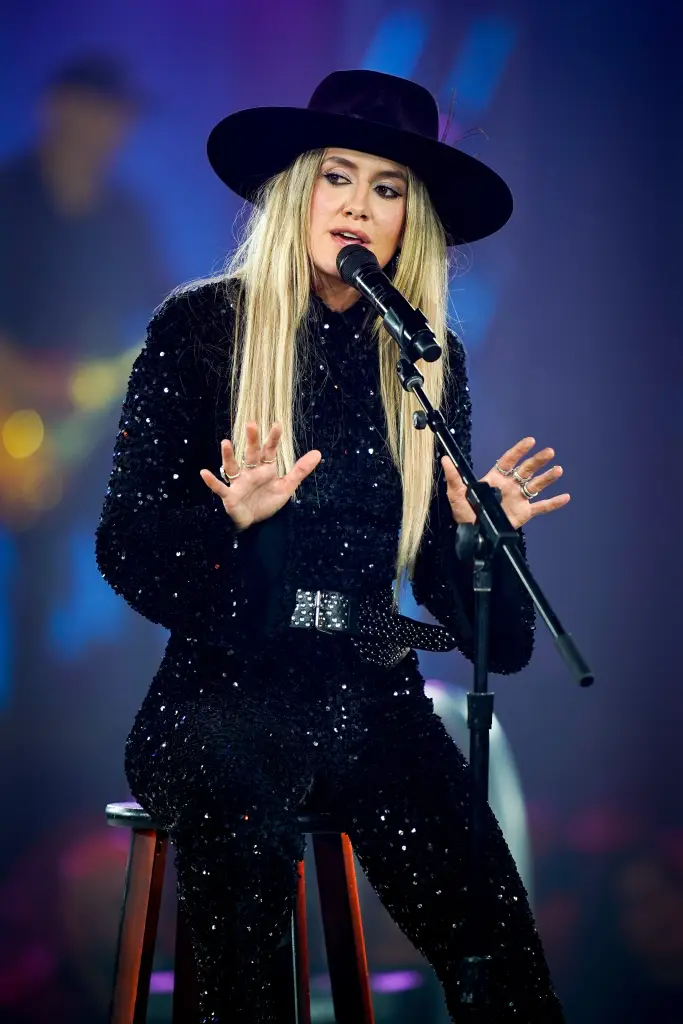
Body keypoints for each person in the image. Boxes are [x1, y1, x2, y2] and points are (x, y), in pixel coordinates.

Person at [96, 70, 570, 1023]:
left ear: (410, 221)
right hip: (221, 694)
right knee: (245, 909)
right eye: (337, 177)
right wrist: (234, 523)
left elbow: (487, 633)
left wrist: (485, 541)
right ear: (295, 189)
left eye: (386, 188)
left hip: (372, 692)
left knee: (497, 942)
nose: (358, 207)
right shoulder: (201, 328)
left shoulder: (425, 357)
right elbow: (127, 544)